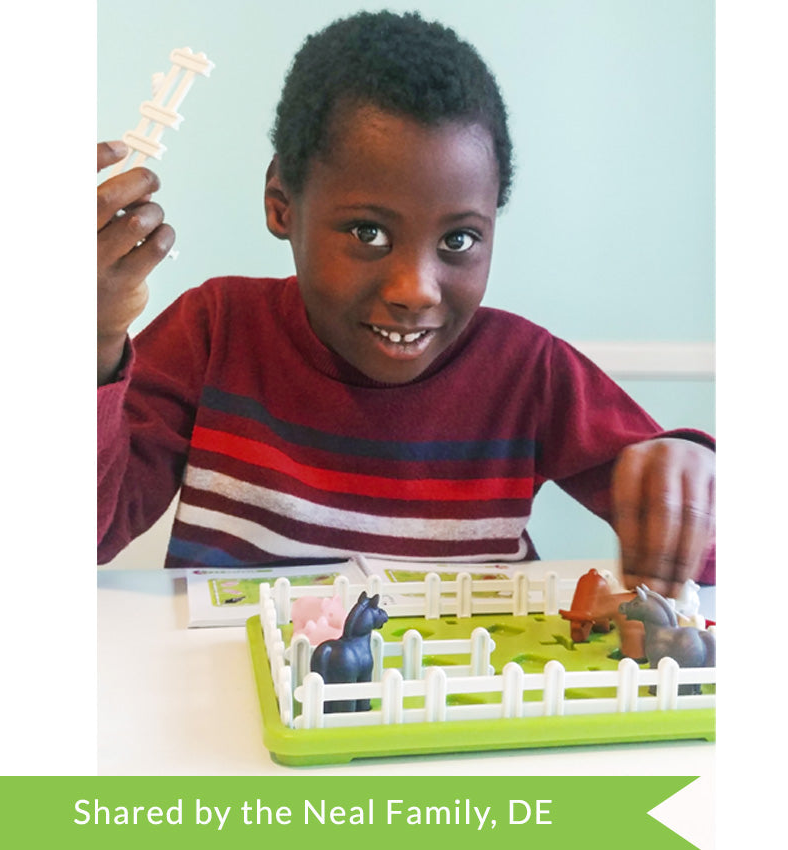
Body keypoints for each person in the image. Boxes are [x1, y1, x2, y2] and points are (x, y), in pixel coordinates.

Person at [97, 10, 714, 598]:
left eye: (459, 240)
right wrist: (94, 335)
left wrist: (691, 479)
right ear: (282, 203)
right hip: (228, 698)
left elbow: (707, 552)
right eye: (369, 233)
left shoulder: (529, 373)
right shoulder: (216, 332)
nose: (416, 289)